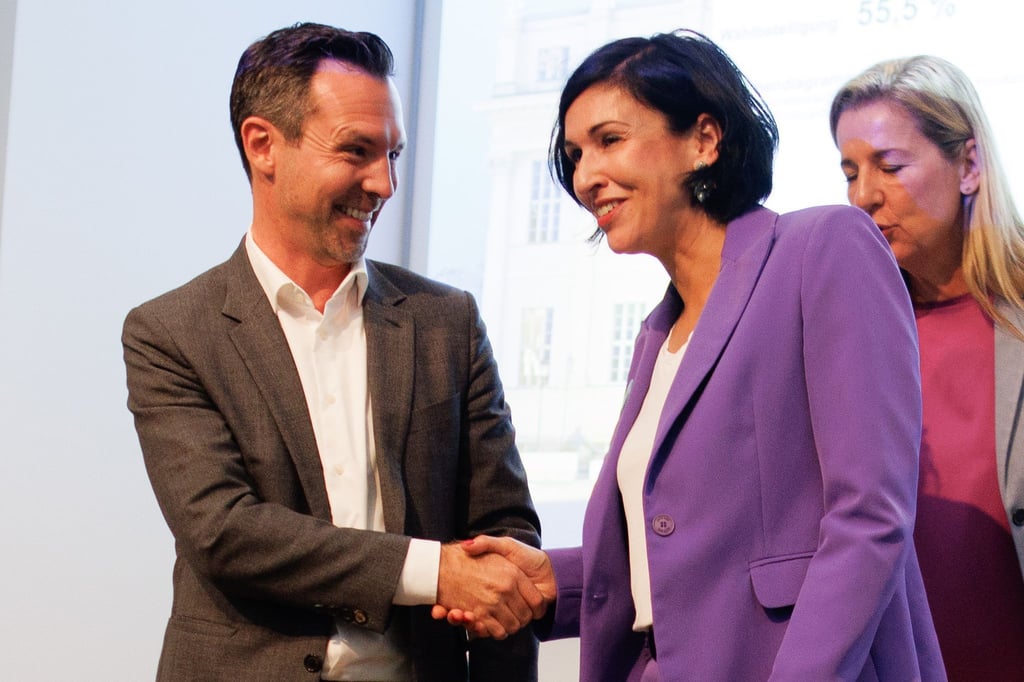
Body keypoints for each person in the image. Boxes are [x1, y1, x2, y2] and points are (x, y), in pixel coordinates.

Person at [437, 30, 946, 680]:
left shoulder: (823, 247)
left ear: (704, 139)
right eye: (574, 154)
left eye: (609, 140)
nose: (585, 176)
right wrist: (552, 582)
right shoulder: (656, 334)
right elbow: (693, 545)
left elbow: (869, 516)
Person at [122, 23, 544, 681]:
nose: (385, 184)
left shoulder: (447, 323)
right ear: (263, 145)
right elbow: (224, 532)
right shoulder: (172, 333)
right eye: (357, 151)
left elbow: (503, 537)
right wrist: (434, 572)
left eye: (394, 155)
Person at [831, 55, 1024, 680]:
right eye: (850, 172)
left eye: (889, 166)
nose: (864, 196)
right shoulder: (851, 333)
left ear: (968, 165)